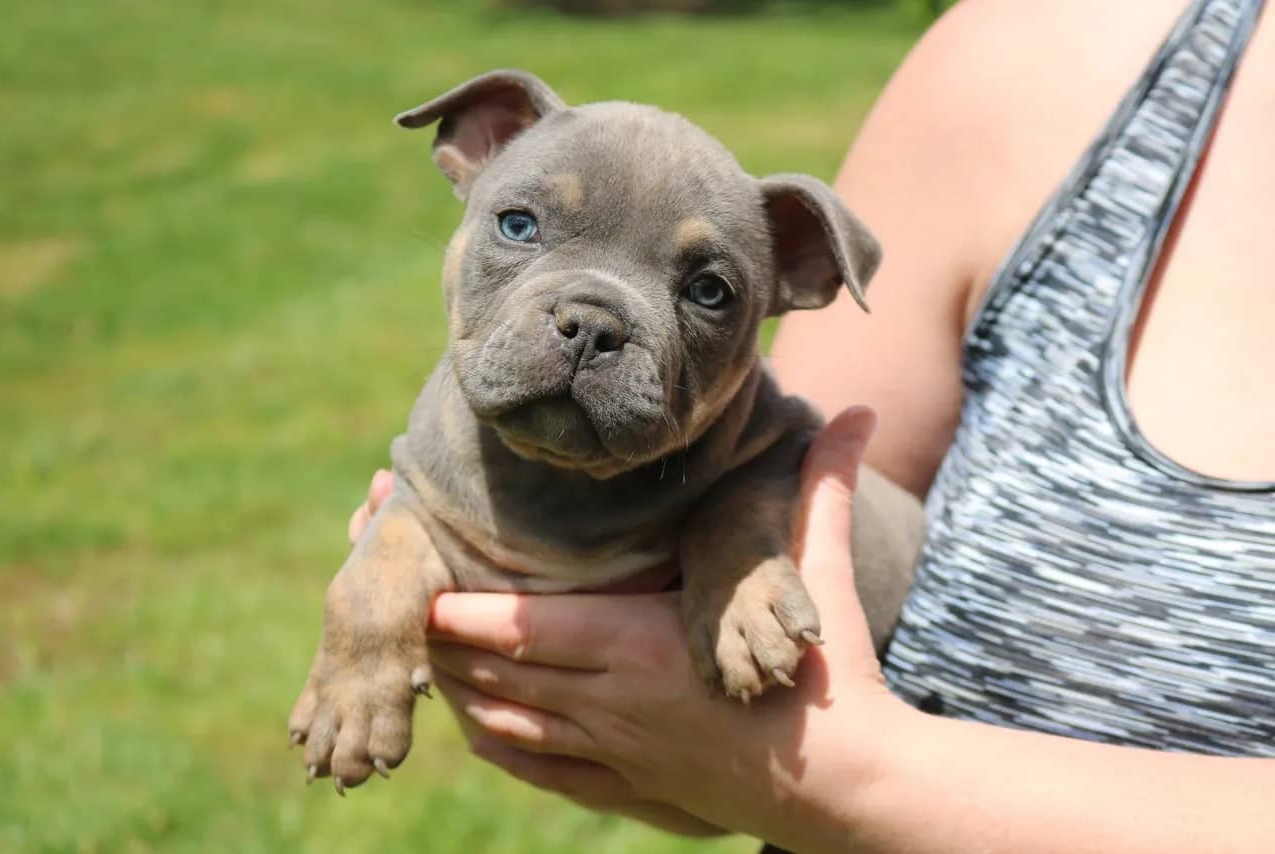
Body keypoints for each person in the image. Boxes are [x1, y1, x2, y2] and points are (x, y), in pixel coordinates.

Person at [348, 0, 1275, 848]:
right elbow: (798, 462)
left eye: (706, 291)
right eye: (521, 227)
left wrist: (836, 767)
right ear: (479, 141)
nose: (591, 328)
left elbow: (766, 453)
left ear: (807, 268)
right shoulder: (1040, 59)